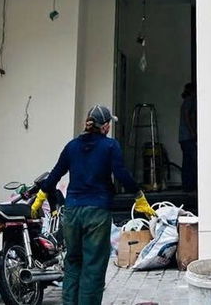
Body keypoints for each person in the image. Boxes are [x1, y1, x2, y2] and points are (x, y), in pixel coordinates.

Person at [31, 105, 155, 305]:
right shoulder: (110, 146)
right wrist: (138, 196)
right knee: (93, 265)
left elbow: (55, 174)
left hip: (72, 213)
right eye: (109, 124)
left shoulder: (72, 146)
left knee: (73, 262)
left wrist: (40, 196)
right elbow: (121, 174)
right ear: (105, 126)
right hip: (97, 213)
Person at [178, 82, 197, 192]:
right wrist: (192, 131)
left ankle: (187, 186)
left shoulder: (185, 101)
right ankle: (191, 186)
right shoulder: (190, 101)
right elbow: (187, 116)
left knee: (187, 162)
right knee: (192, 162)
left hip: (183, 137)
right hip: (188, 137)